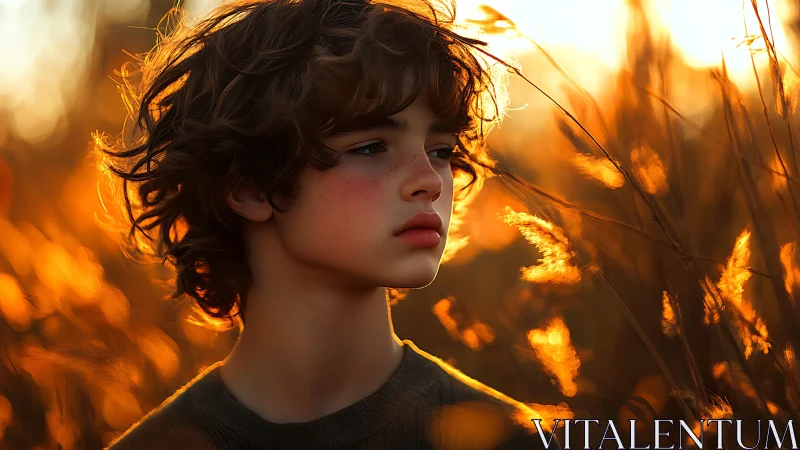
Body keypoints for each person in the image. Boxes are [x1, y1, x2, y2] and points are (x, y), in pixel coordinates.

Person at [98, 0, 562, 448]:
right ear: (248, 187)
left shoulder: (517, 442)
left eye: (440, 151)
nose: (429, 180)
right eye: (370, 147)